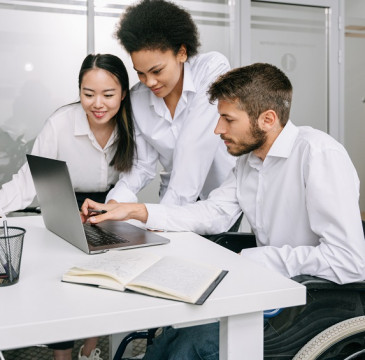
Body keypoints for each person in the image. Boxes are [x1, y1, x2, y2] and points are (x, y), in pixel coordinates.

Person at [81, 63, 365, 360]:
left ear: (267, 119)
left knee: (190, 345)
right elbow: (214, 212)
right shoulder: (249, 160)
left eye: (227, 119)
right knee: (174, 334)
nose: (218, 130)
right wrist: (136, 211)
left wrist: (258, 259)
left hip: (316, 306)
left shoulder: (318, 154)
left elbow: (349, 261)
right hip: (271, 290)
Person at [0, 53, 136, 360]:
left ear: (124, 94)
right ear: (79, 92)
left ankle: (91, 345)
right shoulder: (60, 123)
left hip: (112, 204)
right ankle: (61, 354)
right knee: (62, 278)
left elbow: (137, 176)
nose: (97, 103)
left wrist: (114, 208)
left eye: (108, 94)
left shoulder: (134, 126)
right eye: (88, 94)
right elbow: (28, 181)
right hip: (65, 201)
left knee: (104, 275)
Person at [105, 0, 235, 206]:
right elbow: (142, 166)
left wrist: (164, 216)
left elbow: (195, 146)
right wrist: (113, 203)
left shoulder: (211, 69)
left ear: (181, 52)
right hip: (171, 197)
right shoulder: (137, 99)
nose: (150, 82)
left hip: (222, 198)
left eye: (157, 71)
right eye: (140, 73)